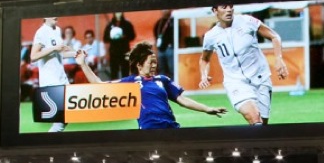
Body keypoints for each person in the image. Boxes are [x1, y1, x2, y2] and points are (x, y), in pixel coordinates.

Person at [77, 42, 226, 129]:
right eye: (151, 62)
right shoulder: (130, 82)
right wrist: (83, 64)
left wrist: (207, 109)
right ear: (139, 65)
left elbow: (183, 100)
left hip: (171, 127)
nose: (154, 65)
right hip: (149, 130)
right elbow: (99, 85)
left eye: (155, 62)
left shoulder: (162, 79)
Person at [199, 4, 288, 125]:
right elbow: (204, 59)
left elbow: (274, 36)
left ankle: (254, 144)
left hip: (261, 78)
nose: (229, 10)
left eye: (230, 6)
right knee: (254, 117)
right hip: (236, 82)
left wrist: (279, 58)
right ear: (215, 10)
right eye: (224, 7)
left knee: (263, 124)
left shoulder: (247, 21)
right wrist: (204, 75)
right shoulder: (211, 36)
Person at [30, 17, 73, 132]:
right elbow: (33, 56)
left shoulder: (57, 30)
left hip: (62, 78)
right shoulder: (41, 32)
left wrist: (76, 53)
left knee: (66, 117)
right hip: (51, 81)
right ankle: (46, 145)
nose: (56, 16)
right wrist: (53, 48)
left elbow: (61, 54)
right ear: (44, 17)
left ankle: (48, 144)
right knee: (61, 120)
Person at [103, 12, 136, 79]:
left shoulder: (127, 24)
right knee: (114, 71)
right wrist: (112, 37)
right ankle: (115, 87)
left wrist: (124, 37)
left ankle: (126, 86)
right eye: (116, 13)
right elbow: (105, 38)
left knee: (125, 70)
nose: (118, 14)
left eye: (120, 12)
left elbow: (132, 36)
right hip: (114, 52)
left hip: (125, 51)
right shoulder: (110, 25)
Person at [153, 9, 175, 76]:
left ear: (170, 10)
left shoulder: (173, 21)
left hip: (170, 48)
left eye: (166, 9)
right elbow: (155, 34)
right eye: (163, 9)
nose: (164, 11)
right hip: (161, 49)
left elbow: (178, 34)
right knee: (161, 69)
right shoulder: (159, 22)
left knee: (172, 69)